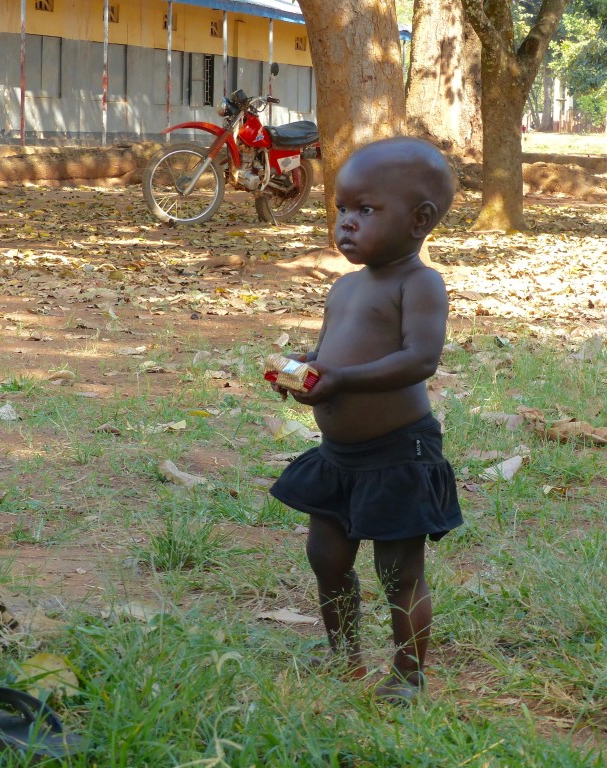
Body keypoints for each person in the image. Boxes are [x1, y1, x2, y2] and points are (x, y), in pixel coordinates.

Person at [268, 137, 463, 704]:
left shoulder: (418, 283)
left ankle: (408, 673)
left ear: (419, 220)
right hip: (340, 458)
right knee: (326, 558)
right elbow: (331, 354)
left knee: (399, 571)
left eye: (365, 211)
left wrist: (344, 380)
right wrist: (304, 372)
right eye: (341, 210)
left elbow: (419, 359)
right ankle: (343, 655)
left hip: (397, 452)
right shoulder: (344, 287)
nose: (346, 224)